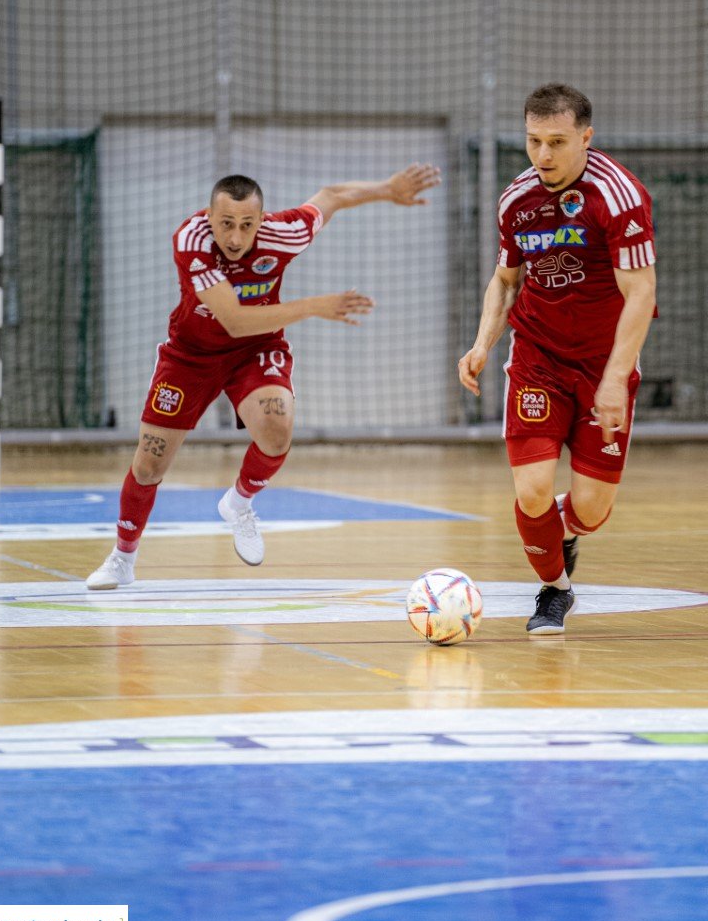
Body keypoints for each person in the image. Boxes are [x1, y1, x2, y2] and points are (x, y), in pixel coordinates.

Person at [87, 162, 441, 589]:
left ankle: (238, 503)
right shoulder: (191, 239)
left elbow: (331, 195)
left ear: (262, 220)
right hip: (191, 355)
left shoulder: (283, 233)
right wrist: (314, 306)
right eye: (226, 224)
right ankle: (123, 558)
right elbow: (235, 319)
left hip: (255, 350)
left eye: (247, 225)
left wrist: (387, 187)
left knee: (277, 429)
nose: (236, 238)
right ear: (208, 216)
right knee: (148, 464)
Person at [458, 83, 657, 635]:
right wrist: (482, 343)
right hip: (538, 357)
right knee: (532, 486)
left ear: (586, 138)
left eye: (557, 142)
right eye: (533, 141)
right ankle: (555, 590)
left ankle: (559, 532)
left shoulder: (619, 197)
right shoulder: (516, 199)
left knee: (590, 511)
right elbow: (505, 281)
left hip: (603, 363)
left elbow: (641, 294)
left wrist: (616, 378)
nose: (543, 156)